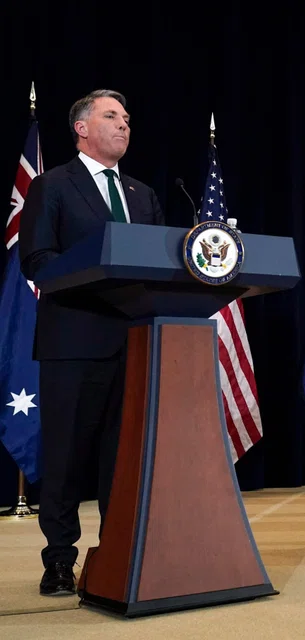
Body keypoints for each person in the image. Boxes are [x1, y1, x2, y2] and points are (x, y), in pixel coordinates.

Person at [19, 89, 165, 595]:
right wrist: (98, 274)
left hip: (137, 343)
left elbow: (159, 264)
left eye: (126, 118)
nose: (124, 125)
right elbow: (36, 260)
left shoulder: (143, 194)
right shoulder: (51, 186)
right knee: (65, 457)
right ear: (82, 128)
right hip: (74, 340)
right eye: (111, 116)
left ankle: (118, 552)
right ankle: (59, 559)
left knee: (121, 457)